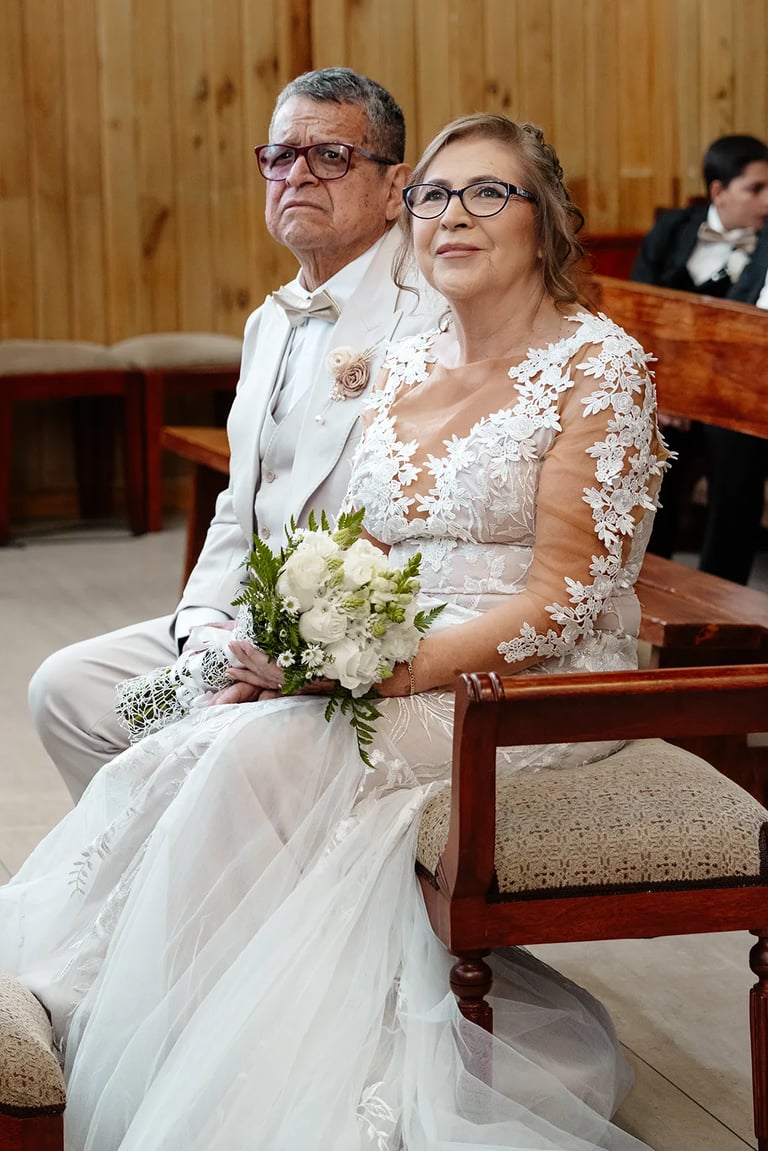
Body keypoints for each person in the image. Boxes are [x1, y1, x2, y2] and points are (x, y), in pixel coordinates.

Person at [0, 114, 668, 1150]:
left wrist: (388, 670)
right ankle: (110, 1013)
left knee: (254, 759)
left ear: (548, 223)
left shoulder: (597, 366)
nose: (452, 215)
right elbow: (353, 539)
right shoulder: (408, 361)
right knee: (194, 730)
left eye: (488, 193)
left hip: (532, 682)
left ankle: (169, 1042)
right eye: (435, 196)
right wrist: (291, 643)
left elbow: (562, 597)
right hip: (390, 653)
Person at [27, 66, 442, 801]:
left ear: (393, 187)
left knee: (191, 747)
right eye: (280, 156)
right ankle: (154, 882)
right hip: (237, 634)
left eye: (331, 156)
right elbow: (235, 508)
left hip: (340, 654)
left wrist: (289, 654)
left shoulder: (430, 320)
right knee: (67, 692)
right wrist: (202, 629)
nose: (298, 175)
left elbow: (420, 528)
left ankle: (215, 898)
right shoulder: (271, 320)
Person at [631, 133, 768, 583]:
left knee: (739, 450)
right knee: (646, 442)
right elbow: (638, 313)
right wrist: (664, 393)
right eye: (756, 189)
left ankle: (722, 597)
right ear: (718, 191)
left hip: (735, 393)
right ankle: (645, 577)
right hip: (668, 386)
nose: (766, 201)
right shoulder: (673, 229)